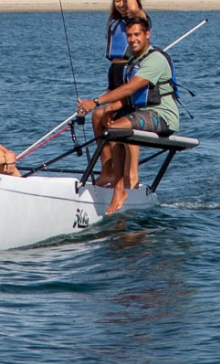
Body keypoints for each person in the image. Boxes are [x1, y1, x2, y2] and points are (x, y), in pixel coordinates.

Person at [75, 15, 179, 216]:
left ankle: (120, 189)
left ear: (147, 34)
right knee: (105, 118)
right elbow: (129, 98)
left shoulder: (155, 59)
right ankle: (110, 174)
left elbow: (131, 87)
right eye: (129, 35)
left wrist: (95, 101)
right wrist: (108, 108)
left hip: (163, 116)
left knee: (117, 129)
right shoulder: (133, 60)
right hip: (142, 112)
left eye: (137, 34)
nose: (133, 39)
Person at [104, 0, 144, 91]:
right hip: (114, 69)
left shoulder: (138, 19)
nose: (121, 5)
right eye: (117, 1)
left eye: (125, 0)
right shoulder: (115, 21)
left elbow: (133, 9)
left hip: (128, 68)